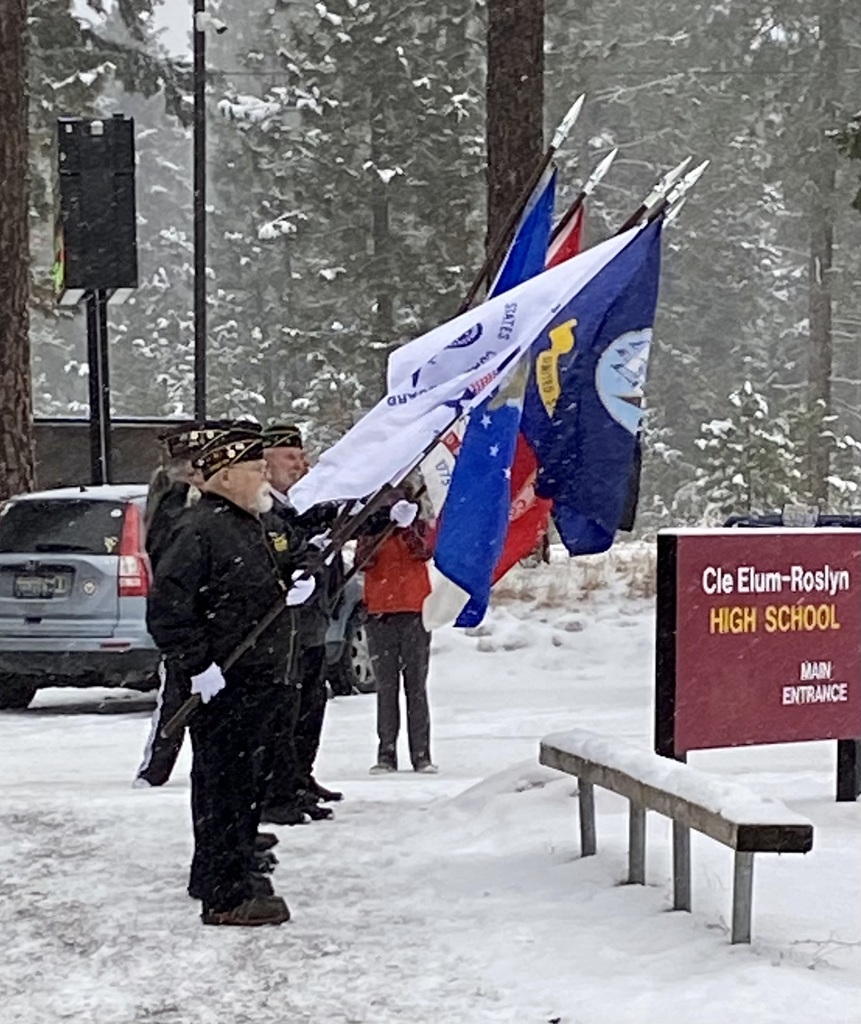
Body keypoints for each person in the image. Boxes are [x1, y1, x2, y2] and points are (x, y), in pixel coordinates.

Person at [146, 424, 314, 926]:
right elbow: (169, 610)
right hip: (226, 681)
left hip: (260, 678)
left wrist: (304, 573)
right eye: (254, 469)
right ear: (224, 476)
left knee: (244, 789)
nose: (265, 476)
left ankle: (229, 869)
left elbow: (294, 550)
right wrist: (197, 666)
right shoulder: (199, 529)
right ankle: (225, 893)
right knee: (225, 788)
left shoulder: (252, 521)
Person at [134, 421, 229, 789]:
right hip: (190, 618)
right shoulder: (174, 504)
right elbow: (168, 561)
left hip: (215, 618)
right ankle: (153, 771)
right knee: (176, 697)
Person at [260, 423, 343, 825]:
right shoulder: (264, 509)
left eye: (302, 456)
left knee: (311, 704)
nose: (301, 465)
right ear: (267, 461)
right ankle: (280, 789)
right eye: (291, 457)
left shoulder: (302, 504)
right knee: (286, 711)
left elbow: (335, 524)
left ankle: (299, 778)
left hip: (311, 623)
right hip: (285, 627)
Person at [355, 489, 437, 774]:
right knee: (386, 688)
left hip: (415, 612)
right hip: (380, 614)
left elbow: (426, 551)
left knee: (416, 688)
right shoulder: (371, 530)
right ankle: (386, 753)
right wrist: (382, 527)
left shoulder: (417, 528)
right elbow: (363, 561)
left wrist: (408, 528)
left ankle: (421, 755)